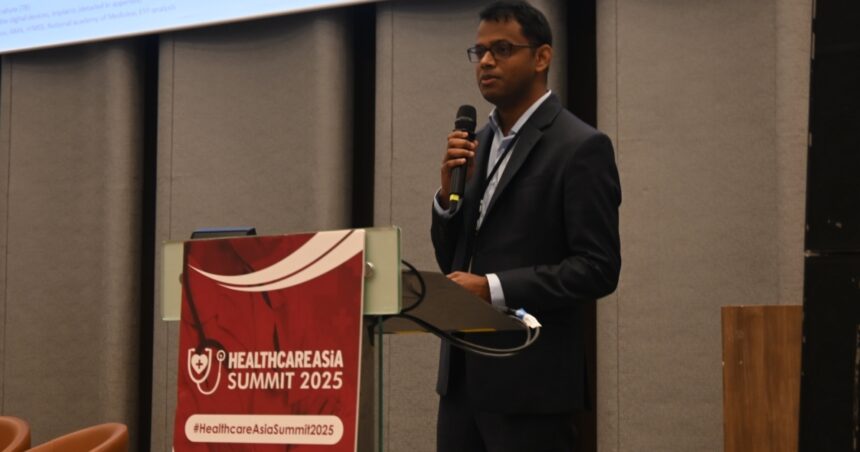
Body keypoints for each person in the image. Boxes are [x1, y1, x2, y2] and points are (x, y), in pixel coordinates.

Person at [430, 1, 622, 451]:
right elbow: (453, 258)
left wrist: (492, 288)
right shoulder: (475, 144)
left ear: (541, 57)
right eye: (479, 52)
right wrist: (446, 199)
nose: (486, 62)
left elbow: (598, 269)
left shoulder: (580, 147)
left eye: (501, 49)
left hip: (531, 388)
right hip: (461, 386)